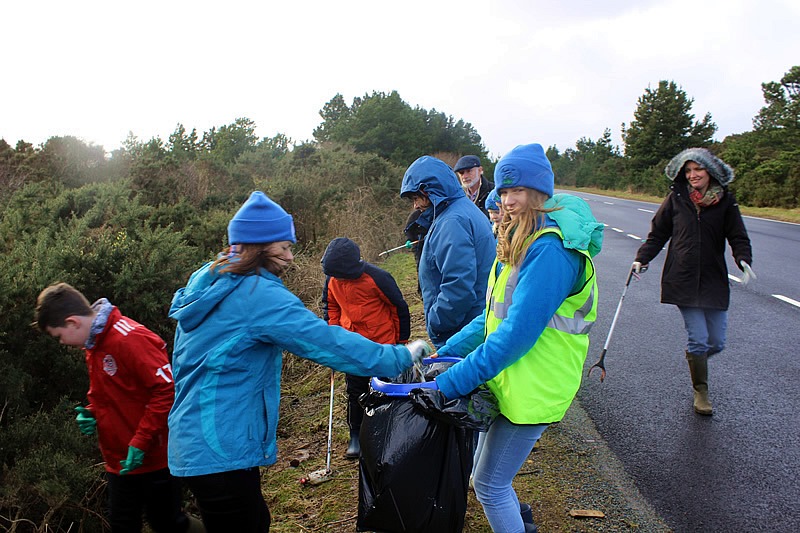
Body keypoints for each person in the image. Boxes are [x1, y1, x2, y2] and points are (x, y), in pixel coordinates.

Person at [167, 191, 430, 532]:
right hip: (220, 441)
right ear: (260, 246)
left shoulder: (211, 280)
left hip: (193, 436)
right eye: (284, 247)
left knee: (248, 519)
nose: (291, 257)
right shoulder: (256, 295)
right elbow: (325, 341)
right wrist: (397, 356)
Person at [431, 143, 603, 533]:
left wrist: (450, 382)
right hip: (514, 379)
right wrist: (447, 352)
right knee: (487, 480)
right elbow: (491, 316)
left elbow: (515, 336)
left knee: (490, 485)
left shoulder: (551, 251)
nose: (507, 201)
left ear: (540, 192)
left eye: (517, 191)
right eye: (504, 191)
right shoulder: (521, 240)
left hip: (536, 385)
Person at [34, 283, 199, 533]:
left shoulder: (130, 338)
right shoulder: (94, 345)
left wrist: (142, 441)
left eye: (59, 336)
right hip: (118, 460)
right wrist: (93, 412)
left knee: (168, 523)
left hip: (155, 457)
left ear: (72, 322)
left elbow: (165, 390)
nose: (62, 343)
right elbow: (118, 393)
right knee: (122, 525)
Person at [633, 147, 753, 416]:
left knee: (717, 342)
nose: (692, 175)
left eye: (697, 169)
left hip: (714, 279)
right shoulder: (676, 198)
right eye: (688, 171)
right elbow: (658, 233)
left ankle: (695, 359)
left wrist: (743, 258)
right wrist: (642, 258)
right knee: (699, 339)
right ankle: (701, 391)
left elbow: (738, 236)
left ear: (709, 171)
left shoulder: (726, 201)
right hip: (682, 277)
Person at [320, 237, 410, 459]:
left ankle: (388, 433)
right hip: (352, 346)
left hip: (382, 343)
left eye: (339, 273)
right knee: (355, 390)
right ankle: (356, 435)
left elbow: (398, 307)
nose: (336, 277)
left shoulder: (377, 277)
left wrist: (401, 340)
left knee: (385, 389)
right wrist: (334, 336)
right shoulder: (332, 279)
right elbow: (330, 307)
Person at [400, 156, 496, 348]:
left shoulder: (452, 221)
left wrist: (436, 322)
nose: (415, 206)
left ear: (429, 191)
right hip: (469, 325)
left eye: (416, 198)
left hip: (460, 332)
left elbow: (458, 285)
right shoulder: (459, 210)